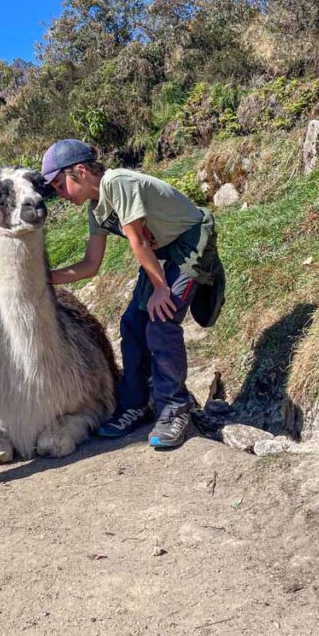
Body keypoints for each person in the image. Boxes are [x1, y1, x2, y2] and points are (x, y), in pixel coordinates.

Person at [42, 139, 224, 450]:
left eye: (60, 185)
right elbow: (90, 265)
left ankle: (175, 407)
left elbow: (137, 241)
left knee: (161, 322)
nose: (59, 194)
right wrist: (44, 279)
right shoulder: (97, 209)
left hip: (191, 240)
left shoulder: (117, 182)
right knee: (131, 324)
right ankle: (136, 404)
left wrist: (161, 288)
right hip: (162, 251)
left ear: (81, 172)